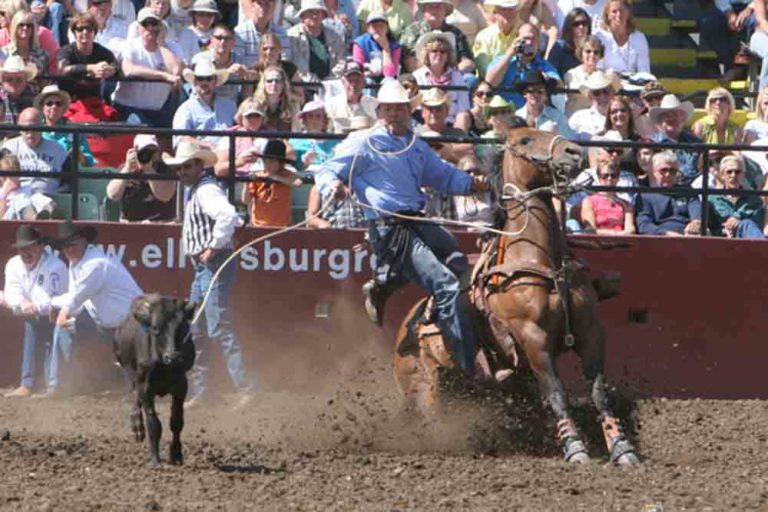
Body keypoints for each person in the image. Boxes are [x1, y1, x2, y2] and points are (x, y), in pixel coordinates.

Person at [315, 79, 487, 374]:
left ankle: (385, 284)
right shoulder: (363, 142)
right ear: (380, 111)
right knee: (445, 284)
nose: (395, 113)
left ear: (409, 110)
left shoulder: (415, 146)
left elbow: (443, 175)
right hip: (389, 228)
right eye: (389, 108)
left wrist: (471, 183)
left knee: (458, 261)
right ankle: (466, 366)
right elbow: (327, 169)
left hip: (416, 220)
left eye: (400, 108)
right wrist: (333, 185)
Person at [164, 139, 253, 408]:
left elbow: (228, 216)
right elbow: (230, 218)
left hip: (212, 264)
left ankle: (245, 388)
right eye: (180, 168)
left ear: (199, 166)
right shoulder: (199, 191)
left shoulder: (205, 191)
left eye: (187, 167)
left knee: (215, 326)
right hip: (205, 266)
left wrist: (213, 246)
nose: (182, 172)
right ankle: (207, 390)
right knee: (199, 327)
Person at [45, 221, 144, 397]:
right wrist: (55, 305)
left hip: (131, 322)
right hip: (105, 323)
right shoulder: (78, 262)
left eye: (72, 243)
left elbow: (77, 296)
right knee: (66, 330)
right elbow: (75, 295)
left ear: (84, 241)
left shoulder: (95, 264)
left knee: (135, 378)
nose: (69, 248)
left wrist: (62, 310)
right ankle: (73, 382)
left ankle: (122, 383)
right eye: (64, 245)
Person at [1, 225, 68, 398]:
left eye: (29, 248)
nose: (25, 253)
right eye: (22, 249)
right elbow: (11, 293)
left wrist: (32, 306)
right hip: (35, 315)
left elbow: (51, 300)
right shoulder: (13, 264)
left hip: (61, 314)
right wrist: (22, 302)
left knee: (44, 329)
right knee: (33, 324)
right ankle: (30, 383)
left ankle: (50, 385)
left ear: (40, 247)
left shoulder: (55, 266)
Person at [112, 8, 183, 127]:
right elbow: (129, 70)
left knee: (166, 141)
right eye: (145, 24)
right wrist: (164, 75)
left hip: (158, 109)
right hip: (129, 108)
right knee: (145, 136)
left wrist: (160, 44)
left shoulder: (170, 48)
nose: (150, 28)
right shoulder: (130, 46)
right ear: (139, 28)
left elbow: (176, 70)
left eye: (154, 24)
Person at [485, 21, 561, 107]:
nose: (529, 42)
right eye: (525, 39)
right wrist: (510, 54)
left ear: (539, 42)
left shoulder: (544, 65)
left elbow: (559, 85)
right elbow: (490, 82)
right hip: (505, 112)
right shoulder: (502, 60)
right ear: (516, 39)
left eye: (533, 39)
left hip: (531, 114)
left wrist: (545, 78)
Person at [399, 0, 475, 84]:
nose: (434, 10)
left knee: (469, 79)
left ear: (445, 11)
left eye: (439, 6)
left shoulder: (456, 33)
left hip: (451, 78)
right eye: (430, 6)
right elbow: (409, 62)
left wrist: (451, 75)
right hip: (420, 78)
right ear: (424, 10)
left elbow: (468, 62)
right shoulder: (412, 30)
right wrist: (433, 76)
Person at [106, 134, 177, 222]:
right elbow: (113, 195)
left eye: (152, 151)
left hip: (160, 223)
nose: (148, 155)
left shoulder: (165, 169)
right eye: (144, 151)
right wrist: (127, 169)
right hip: (131, 225)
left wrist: (149, 171)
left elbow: (166, 196)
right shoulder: (125, 169)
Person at [2, 107, 68, 196]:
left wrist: (55, 196)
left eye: (35, 128)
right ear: (19, 128)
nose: (30, 134)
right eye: (26, 129)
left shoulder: (58, 150)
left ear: (42, 127)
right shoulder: (9, 148)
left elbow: (69, 183)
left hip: (49, 201)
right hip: (16, 199)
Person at [411, 31, 471, 128]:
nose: (439, 54)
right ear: (427, 54)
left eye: (443, 51)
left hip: (452, 125)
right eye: (434, 51)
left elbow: (464, 107)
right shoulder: (417, 76)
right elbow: (414, 107)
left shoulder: (457, 76)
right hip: (423, 124)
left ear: (448, 56)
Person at [634, 151, 702, 236]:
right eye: (663, 170)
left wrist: (696, 221)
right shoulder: (645, 196)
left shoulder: (687, 191)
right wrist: (667, 234)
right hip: (661, 239)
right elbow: (644, 225)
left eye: (673, 171)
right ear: (653, 171)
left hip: (689, 235)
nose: (668, 174)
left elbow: (696, 210)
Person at [57, 12, 120, 102]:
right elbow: (63, 69)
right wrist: (91, 68)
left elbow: (115, 65)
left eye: (89, 28)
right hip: (69, 101)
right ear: (74, 32)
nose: (85, 32)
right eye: (80, 29)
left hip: (94, 101)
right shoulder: (66, 50)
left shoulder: (101, 51)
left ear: (94, 31)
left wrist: (110, 70)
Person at [172, 59, 236, 148]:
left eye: (209, 78)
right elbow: (180, 139)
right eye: (200, 78)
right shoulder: (185, 109)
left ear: (215, 81)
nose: (204, 82)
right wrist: (206, 145)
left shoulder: (230, 106)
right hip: (200, 156)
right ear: (194, 82)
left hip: (230, 155)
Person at [242, 139, 303, 226]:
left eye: (272, 162)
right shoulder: (258, 176)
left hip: (281, 225)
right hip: (258, 224)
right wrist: (247, 183)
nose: (268, 165)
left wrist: (275, 177)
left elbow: (298, 183)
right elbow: (245, 200)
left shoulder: (286, 174)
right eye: (265, 161)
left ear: (281, 163)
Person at [36, 85, 96, 167]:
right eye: (49, 103)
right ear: (42, 107)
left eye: (58, 104)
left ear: (63, 108)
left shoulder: (75, 130)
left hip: (69, 175)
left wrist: (81, 156)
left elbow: (90, 161)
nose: (54, 107)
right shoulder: (35, 130)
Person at [193, 23, 254, 103]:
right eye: (218, 38)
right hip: (204, 104)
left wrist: (247, 74)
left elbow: (255, 74)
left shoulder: (239, 60)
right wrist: (226, 73)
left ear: (233, 42)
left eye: (227, 38)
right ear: (211, 40)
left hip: (230, 107)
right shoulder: (200, 59)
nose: (222, 42)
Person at [649, 94, 702, 186]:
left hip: (692, 190)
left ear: (683, 118)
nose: (671, 117)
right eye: (666, 115)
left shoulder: (695, 142)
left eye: (675, 114)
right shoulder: (652, 143)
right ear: (661, 120)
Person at [288, 0, 347, 83]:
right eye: (310, 12)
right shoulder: (292, 36)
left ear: (323, 15)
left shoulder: (335, 36)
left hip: (331, 85)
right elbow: (292, 64)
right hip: (302, 85)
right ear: (302, 16)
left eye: (318, 12)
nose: (314, 16)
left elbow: (342, 61)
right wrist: (309, 79)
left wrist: (331, 79)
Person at [708, 155, 767, 238]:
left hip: (747, 240)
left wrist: (739, 222)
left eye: (737, 172)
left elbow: (756, 223)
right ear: (722, 175)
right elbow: (709, 225)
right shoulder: (712, 198)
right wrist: (727, 229)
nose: (733, 175)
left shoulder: (753, 198)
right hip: (721, 240)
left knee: (746, 223)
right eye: (729, 172)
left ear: (743, 175)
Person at [580, 157, 636, 234]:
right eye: (605, 176)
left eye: (613, 175)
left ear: (618, 178)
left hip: (621, 242)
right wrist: (615, 234)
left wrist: (624, 233)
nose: (609, 178)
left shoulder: (626, 205)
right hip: (598, 242)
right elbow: (591, 230)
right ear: (599, 177)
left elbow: (630, 228)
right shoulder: (589, 202)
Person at [417, 87, 473, 164]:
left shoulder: (457, 133)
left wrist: (444, 150)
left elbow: (469, 150)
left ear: (446, 112)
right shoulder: (415, 133)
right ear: (422, 112)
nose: (434, 113)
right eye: (430, 109)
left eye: (438, 109)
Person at [594, 0, 649, 74]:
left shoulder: (639, 38)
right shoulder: (599, 37)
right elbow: (597, 70)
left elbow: (644, 70)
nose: (618, 14)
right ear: (608, 15)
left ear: (628, 13)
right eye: (614, 11)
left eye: (621, 10)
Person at [514, 69, 572, 137]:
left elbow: (567, 141)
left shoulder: (558, 117)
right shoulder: (516, 117)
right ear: (524, 94)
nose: (535, 94)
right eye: (531, 90)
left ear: (545, 94)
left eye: (540, 90)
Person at [234, 0, 290, 68]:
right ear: (253, 6)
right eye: (260, 3)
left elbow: (285, 61)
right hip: (247, 76)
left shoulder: (282, 33)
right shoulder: (239, 33)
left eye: (268, 3)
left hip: (273, 76)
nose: (263, 7)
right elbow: (238, 62)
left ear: (273, 7)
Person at [325, 60, 377, 133]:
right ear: (343, 82)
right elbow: (328, 132)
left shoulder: (374, 105)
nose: (353, 85)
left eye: (357, 80)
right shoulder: (332, 105)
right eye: (350, 81)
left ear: (364, 82)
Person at [472, 0, 521, 76]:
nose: (508, 13)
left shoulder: (521, 35)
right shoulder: (484, 36)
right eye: (503, 9)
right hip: (490, 84)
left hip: (516, 82)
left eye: (511, 9)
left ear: (516, 13)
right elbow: (484, 70)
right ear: (495, 13)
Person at [290, 99, 339, 173]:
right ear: (304, 120)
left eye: (318, 116)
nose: (314, 120)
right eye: (310, 116)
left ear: (324, 120)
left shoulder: (336, 142)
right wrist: (304, 163)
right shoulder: (295, 141)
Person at [0, 10, 53, 78]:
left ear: (33, 28)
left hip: (35, 88)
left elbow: (44, 80)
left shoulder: (43, 54)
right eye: (21, 25)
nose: (25, 28)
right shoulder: (3, 53)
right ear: (14, 27)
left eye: (29, 25)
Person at [352, 12, 402, 83]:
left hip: (385, 78)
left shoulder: (395, 46)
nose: (378, 29)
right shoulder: (360, 43)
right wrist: (367, 69)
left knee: (388, 81)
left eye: (381, 25)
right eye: (374, 26)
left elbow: (390, 74)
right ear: (368, 28)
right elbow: (356, 69)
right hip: (366, 78)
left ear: (387, 28)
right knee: (368, 81)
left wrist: (386, 48)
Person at [568, 69, 616, 140]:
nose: (602, 97)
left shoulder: (622, 116)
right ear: (590, 97)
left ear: (613, 93)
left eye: (606, 92)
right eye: (596, 93)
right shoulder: (578, 117)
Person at [563, 34, 603, 116]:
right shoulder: (571, 74)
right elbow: (577, 88)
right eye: (588, 51)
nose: (592, 55)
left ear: (600, 56)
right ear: (581, 53)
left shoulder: (602, 75)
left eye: (596, 52)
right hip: (575, 119)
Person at [253, 65, 300, 131]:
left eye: (277, 81)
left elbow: (296, 133)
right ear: (263, 84)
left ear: (284, 84)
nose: (274, 84)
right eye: (269, 81)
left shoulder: (293, 106)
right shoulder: (255, 105)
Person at [548, 8, 591, 78]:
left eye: (584, 23)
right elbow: (550, 71)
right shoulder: (559, 47)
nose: (581, 27)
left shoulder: (591, 48)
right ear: (569, 26)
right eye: (576, 24)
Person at [0, 55, 38, 125]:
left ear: (25, 81)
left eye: (19, 80)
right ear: (2, 81)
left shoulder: (33, 97)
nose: (14, 83)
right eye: (9, 80)